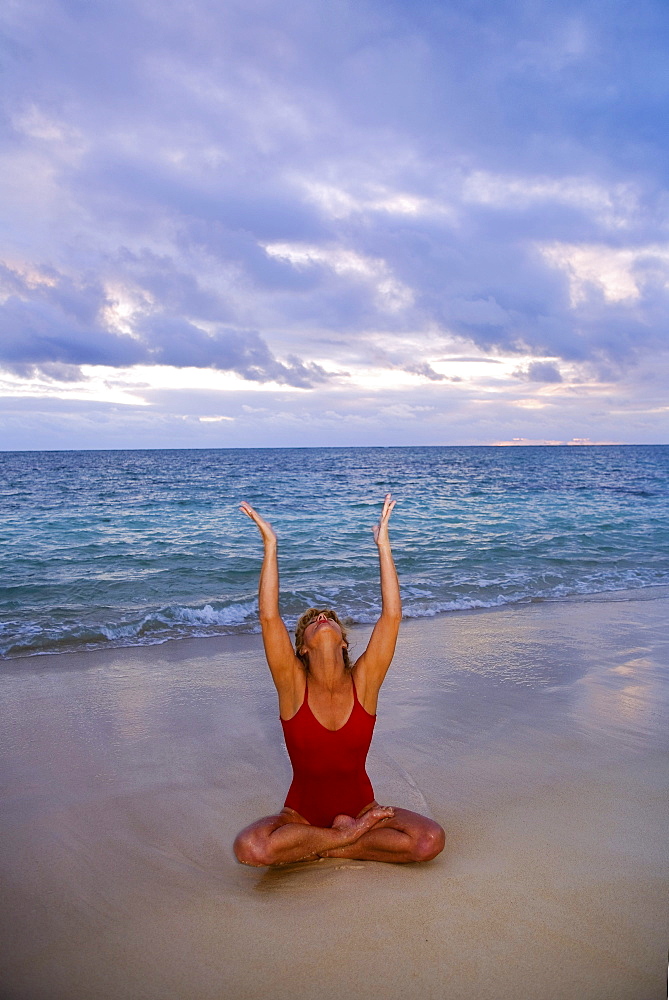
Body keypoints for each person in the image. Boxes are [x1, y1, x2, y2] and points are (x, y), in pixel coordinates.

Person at [233, 494, 445, 867]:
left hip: (362, 808)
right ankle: (342, 837)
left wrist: (383, 544)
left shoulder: (364, 682)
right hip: (300, 817)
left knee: (430, 840)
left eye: (328, 616)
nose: (322, 617)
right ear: (300, 648)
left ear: (344, 642)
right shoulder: (292, 686)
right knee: (250, 848)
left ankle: (329, 845)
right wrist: (271, 544)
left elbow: (392, 617)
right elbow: (268, 618)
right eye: (312, 619)